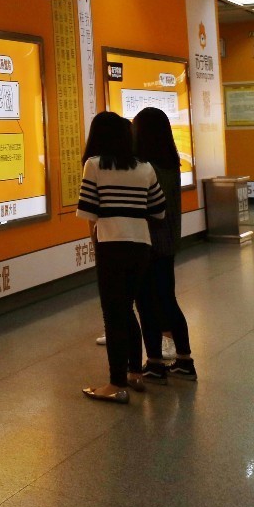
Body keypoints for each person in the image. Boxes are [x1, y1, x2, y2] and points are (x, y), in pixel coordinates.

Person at [76, 112, 166, 403]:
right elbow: (159, 211)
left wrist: (96, 241)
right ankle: (135, 373)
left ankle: (115, 384)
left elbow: (88, 211)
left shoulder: (94, 165)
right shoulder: (145, 167)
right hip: (141, 245)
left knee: (114, 314)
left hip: (110, 245)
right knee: (128, 309)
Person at [132, 107, 197, 382]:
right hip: (169, 241)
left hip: (149, 242)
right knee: (168, 300)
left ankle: (155, 363)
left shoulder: (146, 167)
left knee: (146, 304)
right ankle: (184, 359)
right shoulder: (172, 163)